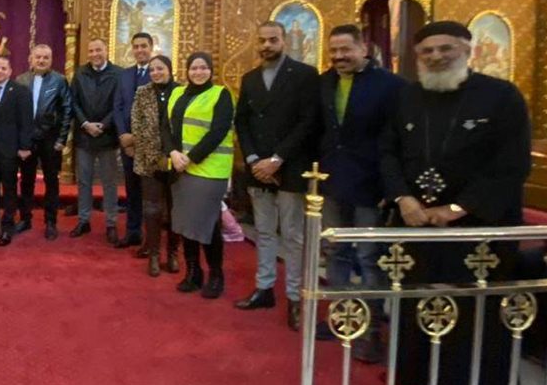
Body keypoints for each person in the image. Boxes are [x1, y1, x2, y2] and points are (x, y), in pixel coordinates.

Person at [380, 21, 531, 385]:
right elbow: (388, 152)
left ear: (467, 50)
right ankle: (415, 375)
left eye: (445, 49)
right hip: (416, 221)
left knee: (472, 312)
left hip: (477, 227)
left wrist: (457, 208)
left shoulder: (501, 96)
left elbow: (512, 164)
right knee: (417, 301)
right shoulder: (406, 96)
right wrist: (404, 199)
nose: (436, 57)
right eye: (427, 51)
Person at [315, 25, 403, 362]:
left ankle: (371, 329)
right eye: (333, 51)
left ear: (363, 48)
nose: (339, 56)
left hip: (371, 185)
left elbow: (395, 140)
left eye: (345, 50)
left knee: (368, 257)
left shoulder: (390, 86)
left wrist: (391, 188)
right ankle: (341, 316)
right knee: (335, 250)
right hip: (332, 181)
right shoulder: (324, 82)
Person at [233, 21, 319, 330]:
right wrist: (254, 159)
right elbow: (242, 122)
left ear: (284, 41)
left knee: (293, 236)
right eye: (262, 40)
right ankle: (264, 288)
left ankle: (295, 297)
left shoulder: (305, 75)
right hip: (258, 169)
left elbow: (308, 122)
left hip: (290, 167)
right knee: (264, 232)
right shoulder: (250, 78)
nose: (267, 45)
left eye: (273, 40)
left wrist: (277, 159)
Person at [163, 52, 235, 298]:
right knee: (185, 224)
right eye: (194, 68)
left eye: (204, 68)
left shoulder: (220, 95)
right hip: (178, 168)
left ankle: (216, 274)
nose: (198, 72)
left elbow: (218, 132)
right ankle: (193, 273)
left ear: (211, 70)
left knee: (207, 223)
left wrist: (190, 158)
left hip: (208, 171)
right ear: (187, 70)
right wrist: (173, 152)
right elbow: (166, 127)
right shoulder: (177, 93)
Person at [130, 54, 182, 276]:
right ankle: (153, 254)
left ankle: (172, 253)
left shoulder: (181, 92)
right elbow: (137, 126)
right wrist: (154, 156)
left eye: (160, 68)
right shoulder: (142, 92)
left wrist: (173, 155)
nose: (156, 73)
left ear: (169, 69)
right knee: (152, 209)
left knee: (175, 210)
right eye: (152, 70)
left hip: (178, 161)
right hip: (149, 161)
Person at [15, 43, 72, 239]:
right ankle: (25, 218)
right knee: (26, 180)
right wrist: (19, 141)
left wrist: (61, 139)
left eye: (45, 57)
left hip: (50, 139)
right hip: (27, 139)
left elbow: (67, 110)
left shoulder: (59, 80)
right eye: (38, 57)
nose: (41, 60)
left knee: (51, 182)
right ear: (31, 59)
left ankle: (51, 222)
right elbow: (15, 113)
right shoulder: (21, 80)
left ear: (51, 60)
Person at [70, 38, 121, 242]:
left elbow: (119, 103)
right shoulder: (80, 73)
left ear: (106, 51)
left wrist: (104, 124)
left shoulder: (118, 74)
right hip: (85, 136)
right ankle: (84, 220)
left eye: (98, 50)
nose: (94, 54)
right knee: (84, 181)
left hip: (107, 136)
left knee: (109, 182)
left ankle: (111, 223)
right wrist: (85, 124)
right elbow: (73, 102)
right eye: (91, 51)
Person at [0, 55, 32, 246]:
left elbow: (26, 120)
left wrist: (25, 146)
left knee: (9, 190)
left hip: (10, 149)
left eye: (3, 68)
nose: (0, 71)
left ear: (10, 71)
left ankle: (7, 229)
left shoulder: (20, 91)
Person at [113, 32, 154, 249]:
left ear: (151, 47)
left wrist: (138, 139)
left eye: (143, 46)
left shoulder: (158, 72)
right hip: (126, 143)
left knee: (151, 193)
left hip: (150, 144)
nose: (140, 50)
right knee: (132, 189)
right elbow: (118, 107)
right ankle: (133, 231)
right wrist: (123, 136)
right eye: (136, 46)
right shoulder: (125, 75)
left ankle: (151, 237)